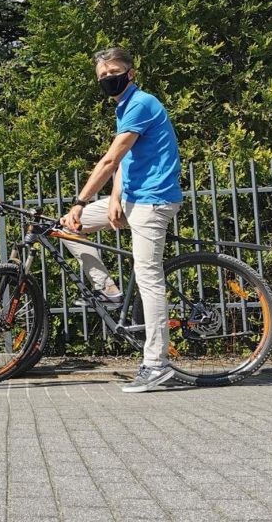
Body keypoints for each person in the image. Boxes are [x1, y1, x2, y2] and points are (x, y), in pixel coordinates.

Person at [59, 46, 183, 393]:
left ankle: (157, 364)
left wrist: (81, 201)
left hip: (153, 202)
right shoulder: (125, 107)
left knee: (148, 277)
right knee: (65, 229)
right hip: (131, 199)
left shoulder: (141, 103)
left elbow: (110, 160)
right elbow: (126, 161)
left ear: (130, 73)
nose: (108, 79)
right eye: (102, 76)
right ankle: (110, 291)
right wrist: (114, 197)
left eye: (113, 72)